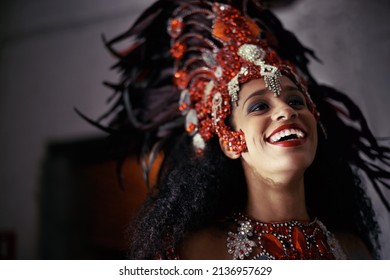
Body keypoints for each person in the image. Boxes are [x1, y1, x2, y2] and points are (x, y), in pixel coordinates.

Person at [85, 0, 390, 259]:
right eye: (259, 106)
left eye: (296, 101)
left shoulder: (353, 250)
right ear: (231, 142)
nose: (286, 111)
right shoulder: (197, 253)